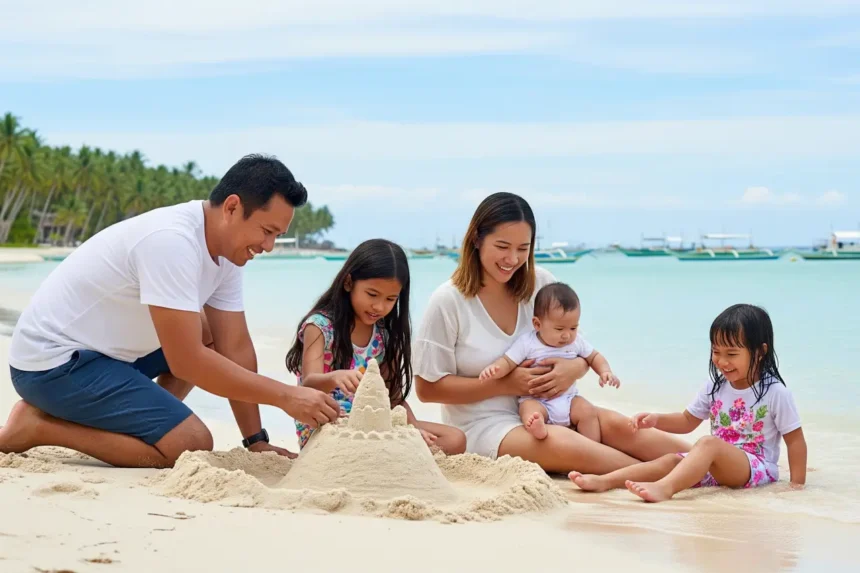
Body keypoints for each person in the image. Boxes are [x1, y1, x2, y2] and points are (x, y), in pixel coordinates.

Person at [0, 154, 341, 468]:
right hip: (52, 364)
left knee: (206, 332)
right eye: (267, 232)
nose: (268, 246)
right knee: (190, 443)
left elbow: (234, 347)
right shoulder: (171, 241)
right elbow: (186, 361)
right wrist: (287, 396)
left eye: (276, 236)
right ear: (233, 207)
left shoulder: (227, 252)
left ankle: (150, 418)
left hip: (106, 355)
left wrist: (255, 441)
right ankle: (36, 427)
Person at [414, 192, 690, 475]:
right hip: (486, 426)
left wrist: (575, 369)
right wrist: (506, 384)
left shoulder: (541, 284)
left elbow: (576, 345)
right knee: (565, 443)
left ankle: (712, 461)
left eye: (523, 248)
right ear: (476, 239)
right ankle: (670, 474)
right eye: (502, 246)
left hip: (556, 408)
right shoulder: (448, 301)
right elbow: (427, 389)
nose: (513, 258)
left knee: (619, 426)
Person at [569, 304, 807, 502]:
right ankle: (605, 481)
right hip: (716, 464)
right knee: (673, 459)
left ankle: (665, 488)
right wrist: (656, 420)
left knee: (706, 444)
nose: (722, 362)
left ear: (760, 351)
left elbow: (795, 441)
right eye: (716, 352)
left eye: (732, 354)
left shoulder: (775, 392)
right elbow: (687, 421)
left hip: (756, 469)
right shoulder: (716, 386)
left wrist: (797, 486)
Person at [285, 238, 466, 455]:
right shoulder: (321, 327)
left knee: (455, 439)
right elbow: (309, 384)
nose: (379, 307)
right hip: (328, 425)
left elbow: (393, 396)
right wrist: (334, 377)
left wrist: (414, 428)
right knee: (371, 450)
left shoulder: (383, 335)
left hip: (374, 423)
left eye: (390, 299)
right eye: (372, 294)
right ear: (348, 282)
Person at [479, 282, 620, 443]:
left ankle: (593, 445)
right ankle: (537, 428)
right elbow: (508, 361)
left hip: (568, 398)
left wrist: (605, 371)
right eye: (559, 329)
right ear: (537, 324)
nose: (567, 335)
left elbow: (594, 357)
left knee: (588, 411)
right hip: (538, 400)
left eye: (573, 328)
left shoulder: (576, 342)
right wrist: (495, 369)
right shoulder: (528, 343)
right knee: (529, 410)